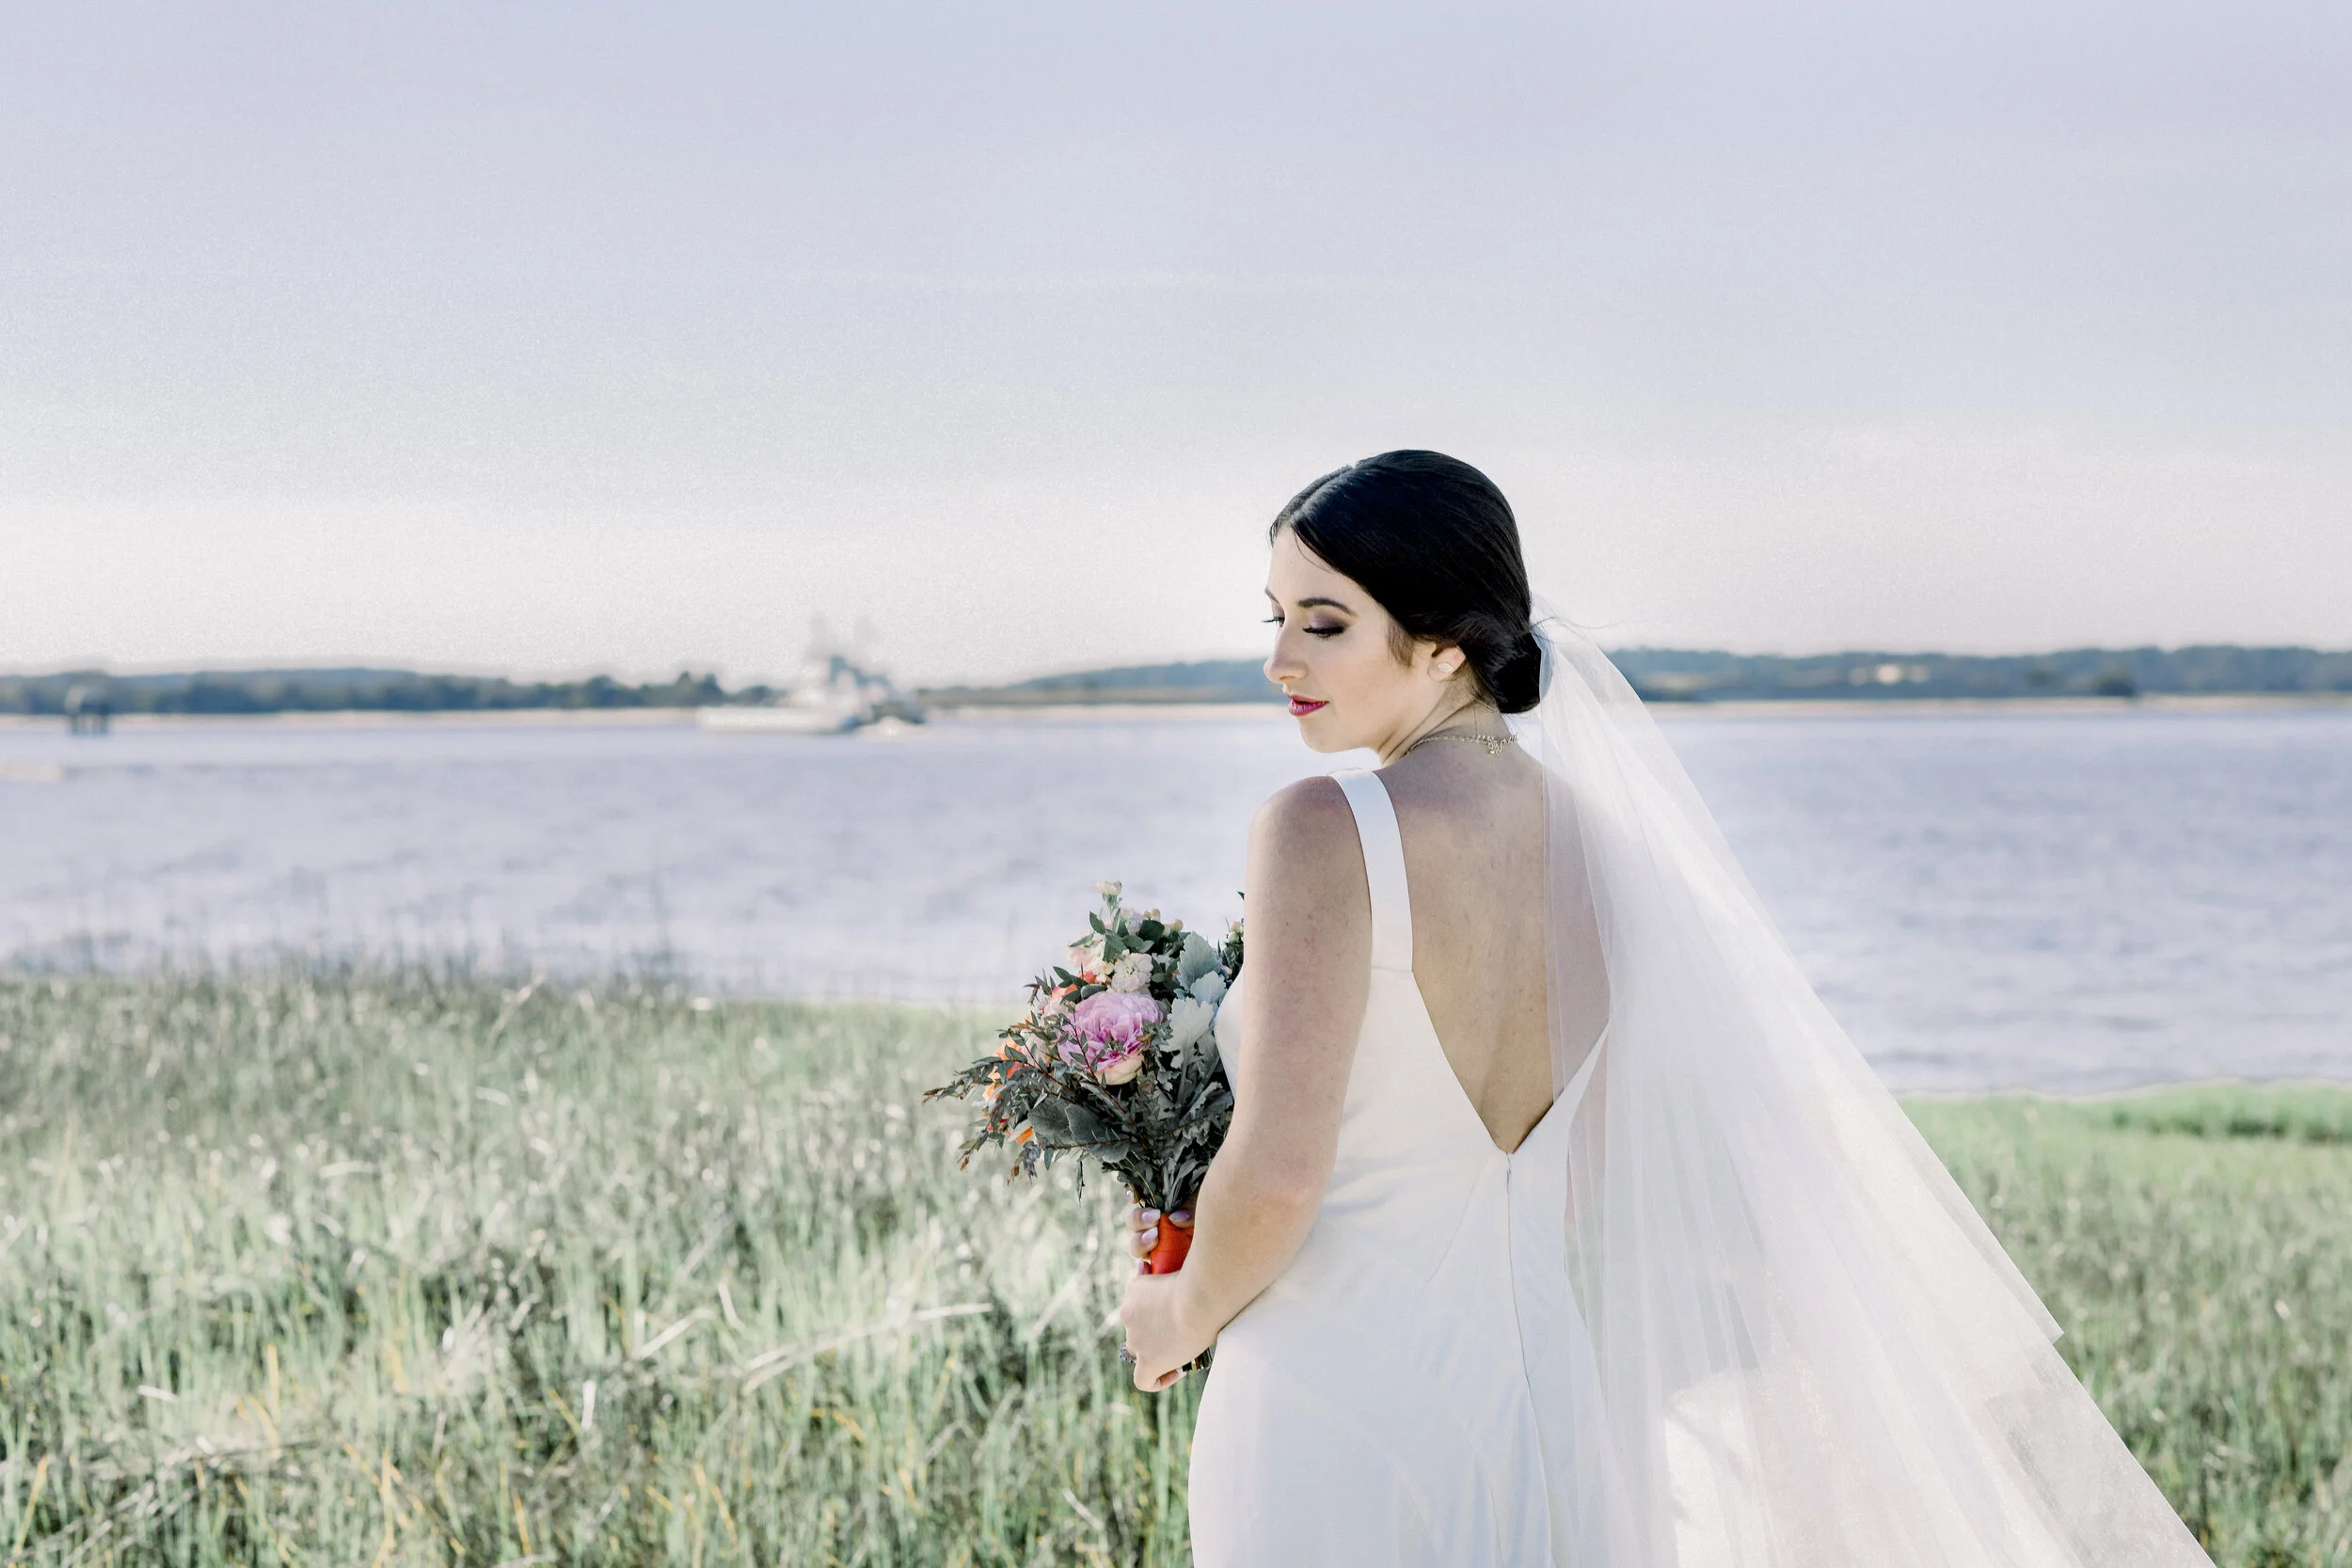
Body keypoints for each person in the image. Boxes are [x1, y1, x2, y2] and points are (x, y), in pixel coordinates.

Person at [1116, 451, 2214, 1567]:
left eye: (1323, 623)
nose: (1278, 658)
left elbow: (1284, 1174)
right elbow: (1588, 1173)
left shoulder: (1320, 826)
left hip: (1335, 1400)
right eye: (1275, 617)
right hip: (1546, 1406)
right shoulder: (1607, 852)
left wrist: (1177, 1314)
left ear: (1443, 641)